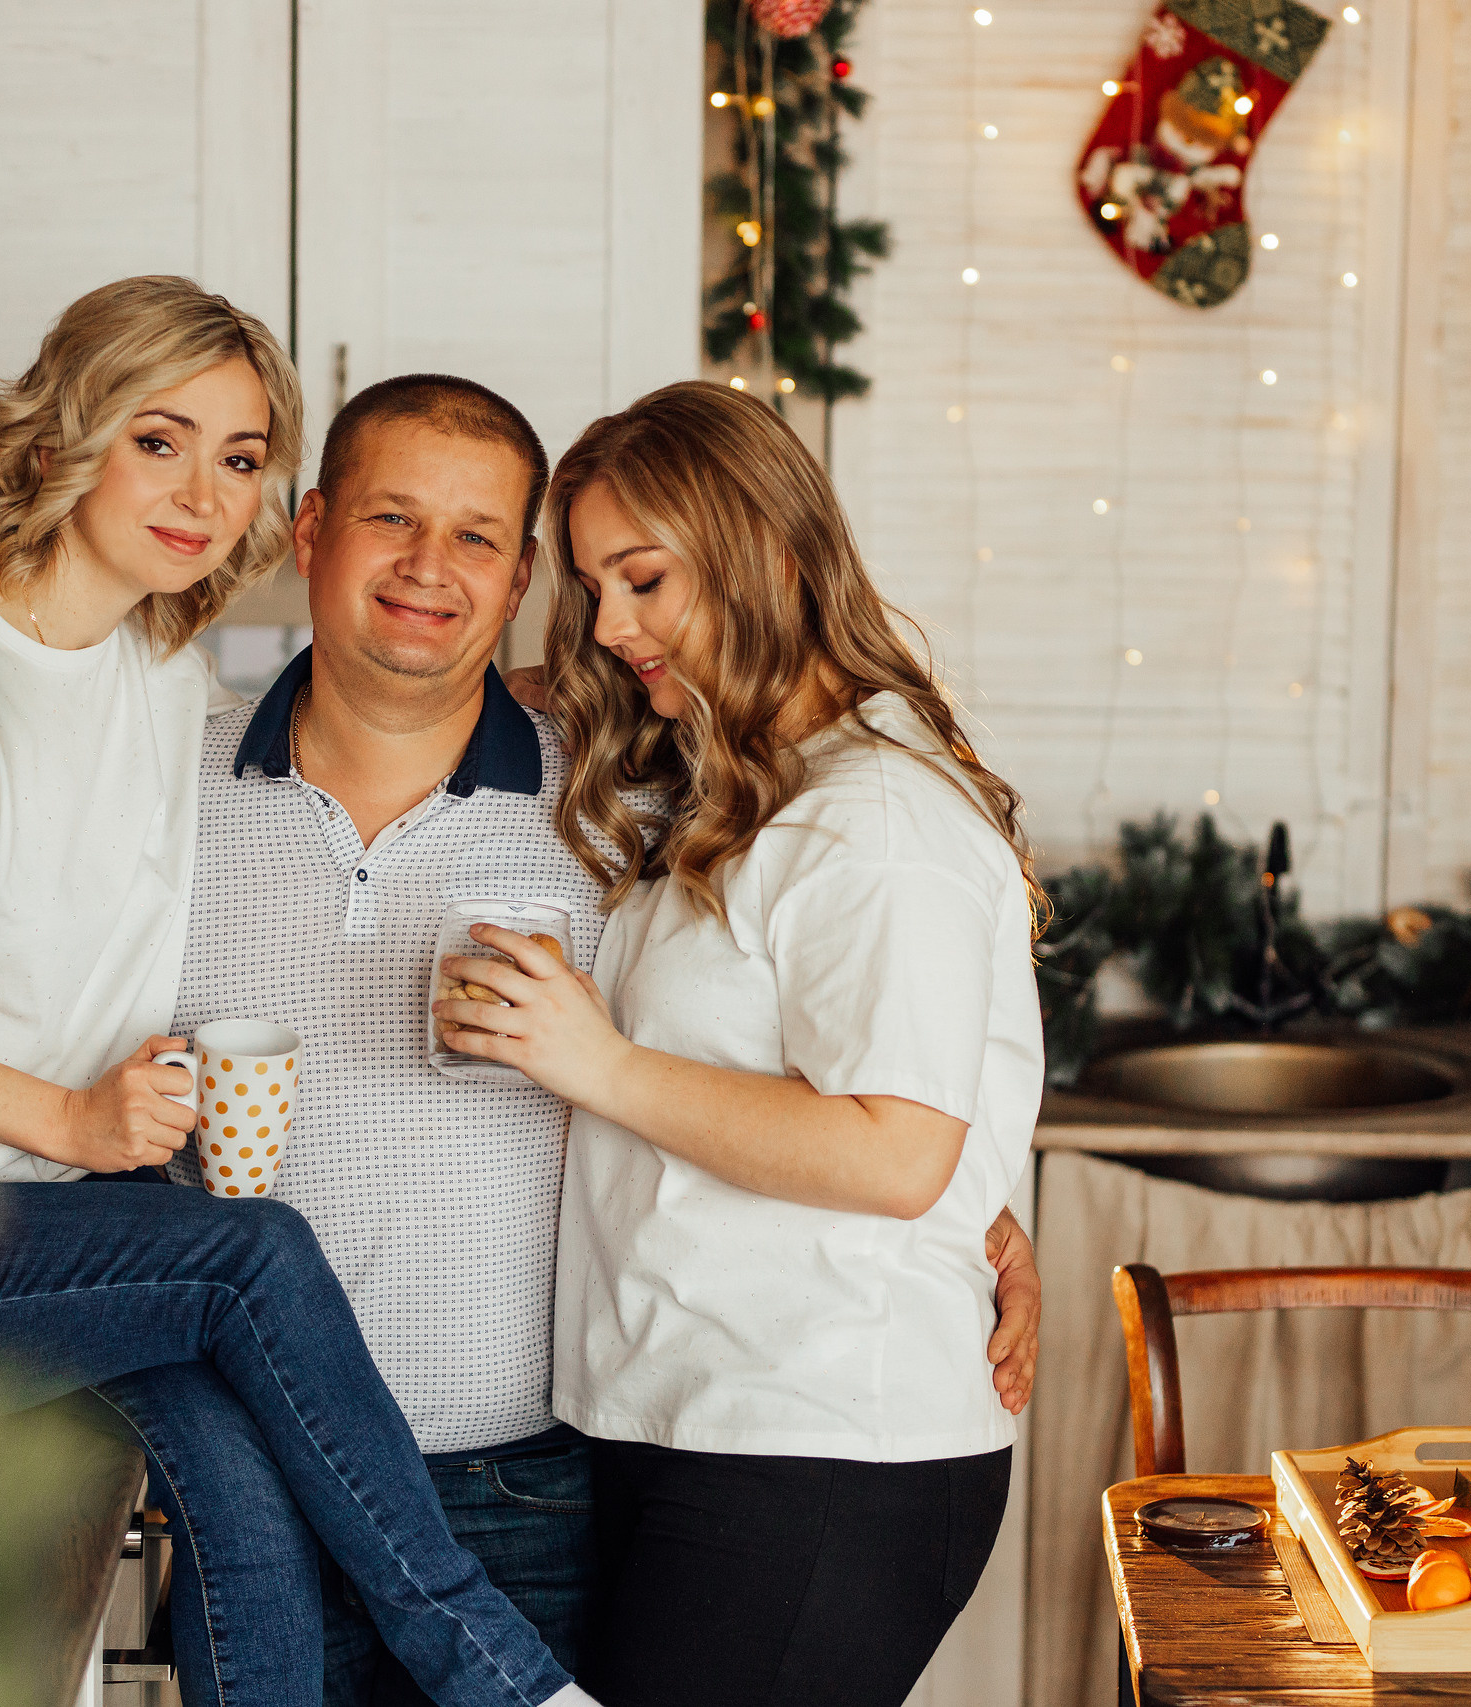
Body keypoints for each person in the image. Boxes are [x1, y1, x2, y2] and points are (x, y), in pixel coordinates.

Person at [0, 279, 596, 1707]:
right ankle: (502, 1677)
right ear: (61, 437)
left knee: (236, 1478)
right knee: (254, 1256)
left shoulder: (156, 665)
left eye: (238, 459)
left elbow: (411, 674)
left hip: (26, 1231)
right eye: (159, 440)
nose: (201, 492)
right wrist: (68, 1119)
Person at [115, 373, 1043, 1707]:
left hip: (557, 1477)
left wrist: (977, 1211)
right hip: (269, 1469)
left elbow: (906, 1112)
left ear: (515, 576)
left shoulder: (646, 797)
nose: (433, 569)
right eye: (392, 521)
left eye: (481, 541)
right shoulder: (159, 790)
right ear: (311, 529)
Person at [432, 380, 1045, 1707]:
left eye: (643, 578)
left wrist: (595, 1062)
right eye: (593, 584)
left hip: (822, 1447)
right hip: (703, 1426)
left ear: (768, 551)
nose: (611, 624)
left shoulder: (878, 819)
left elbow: (897, 1154)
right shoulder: (749, 782)